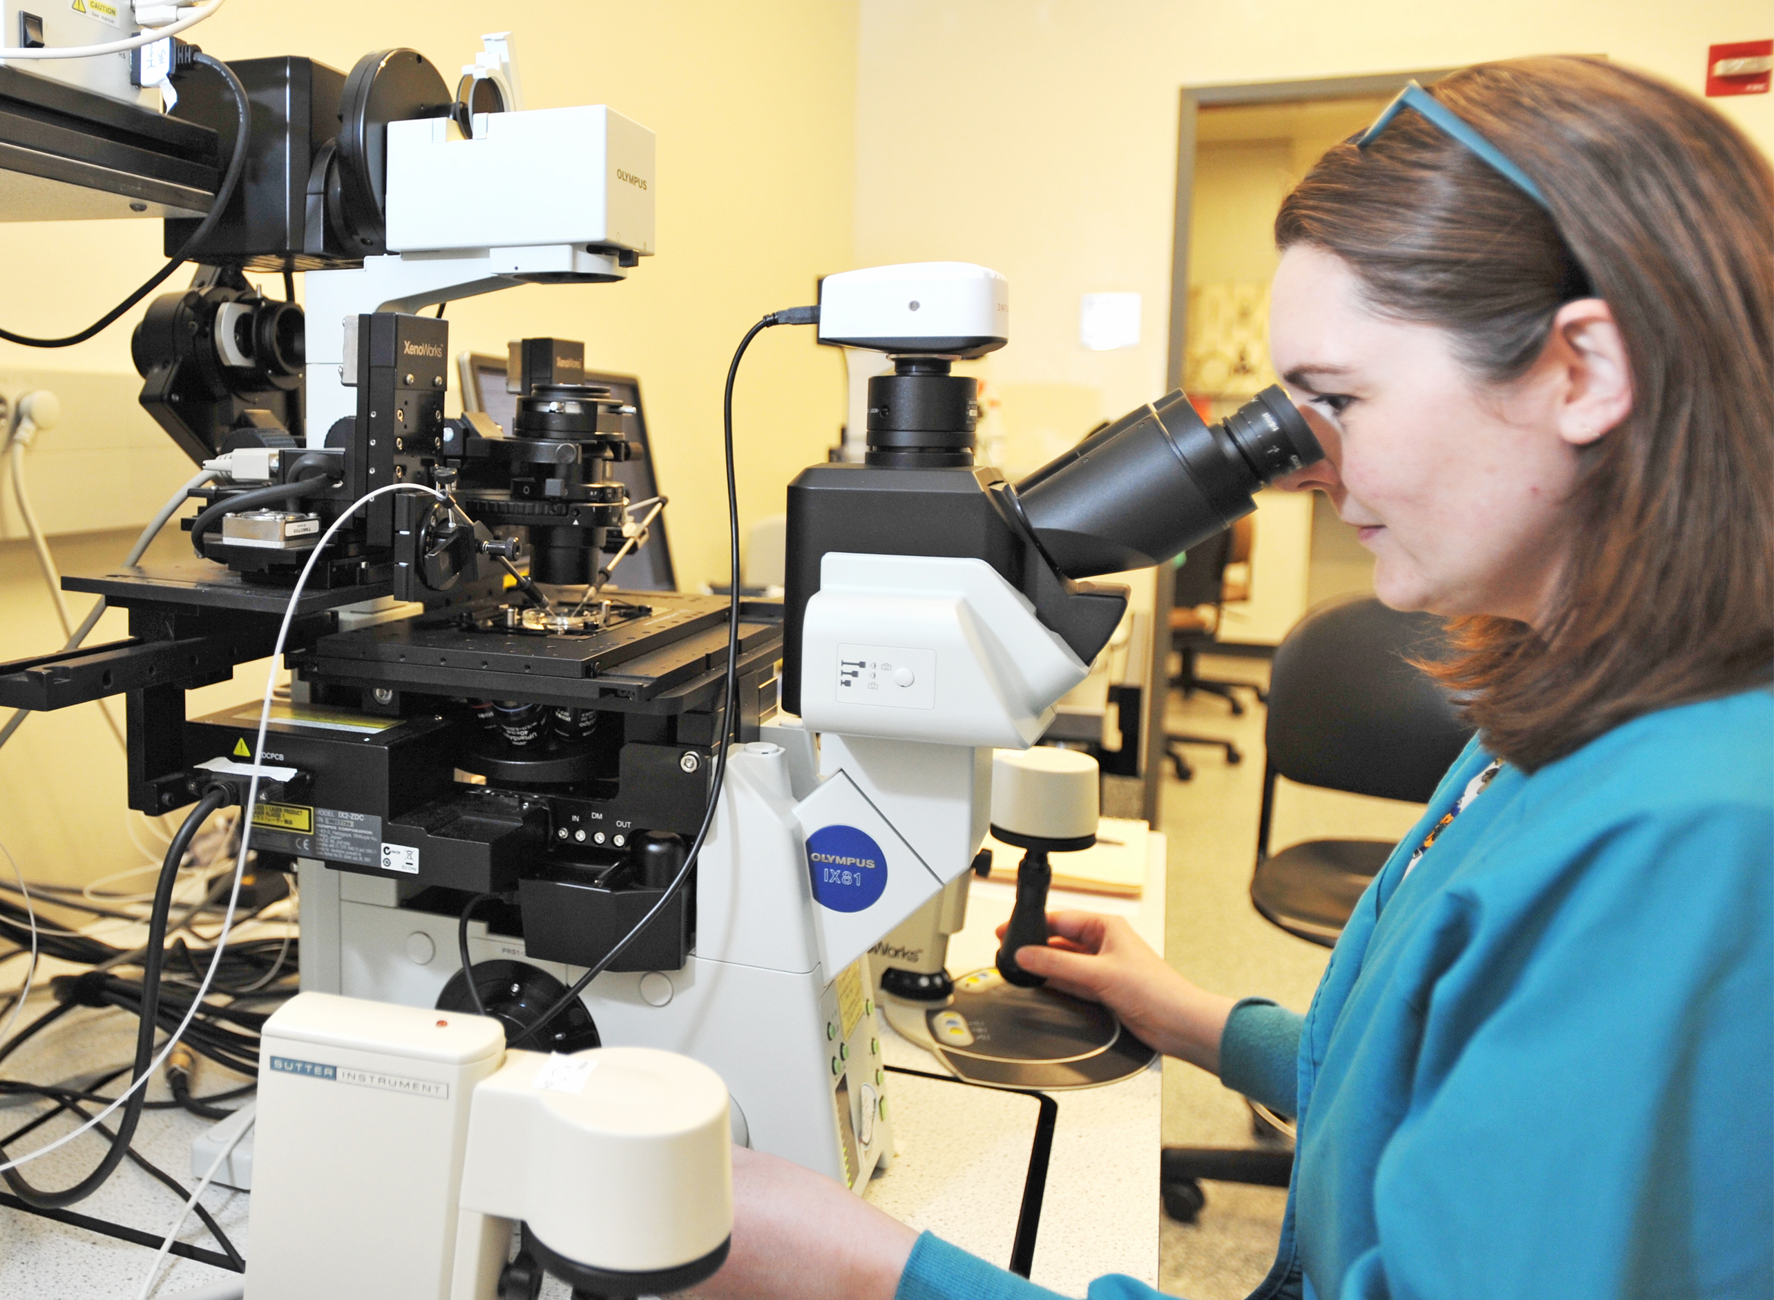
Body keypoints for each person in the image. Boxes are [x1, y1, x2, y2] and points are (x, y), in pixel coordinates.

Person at [692, 55, 1772, 1300]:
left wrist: (872, 1278)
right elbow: (1438, 1083)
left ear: (1584, 370)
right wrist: (1202, 1021)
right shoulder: (1568, 700)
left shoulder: (1694, 848)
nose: (1302, 466)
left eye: (1338, 401)